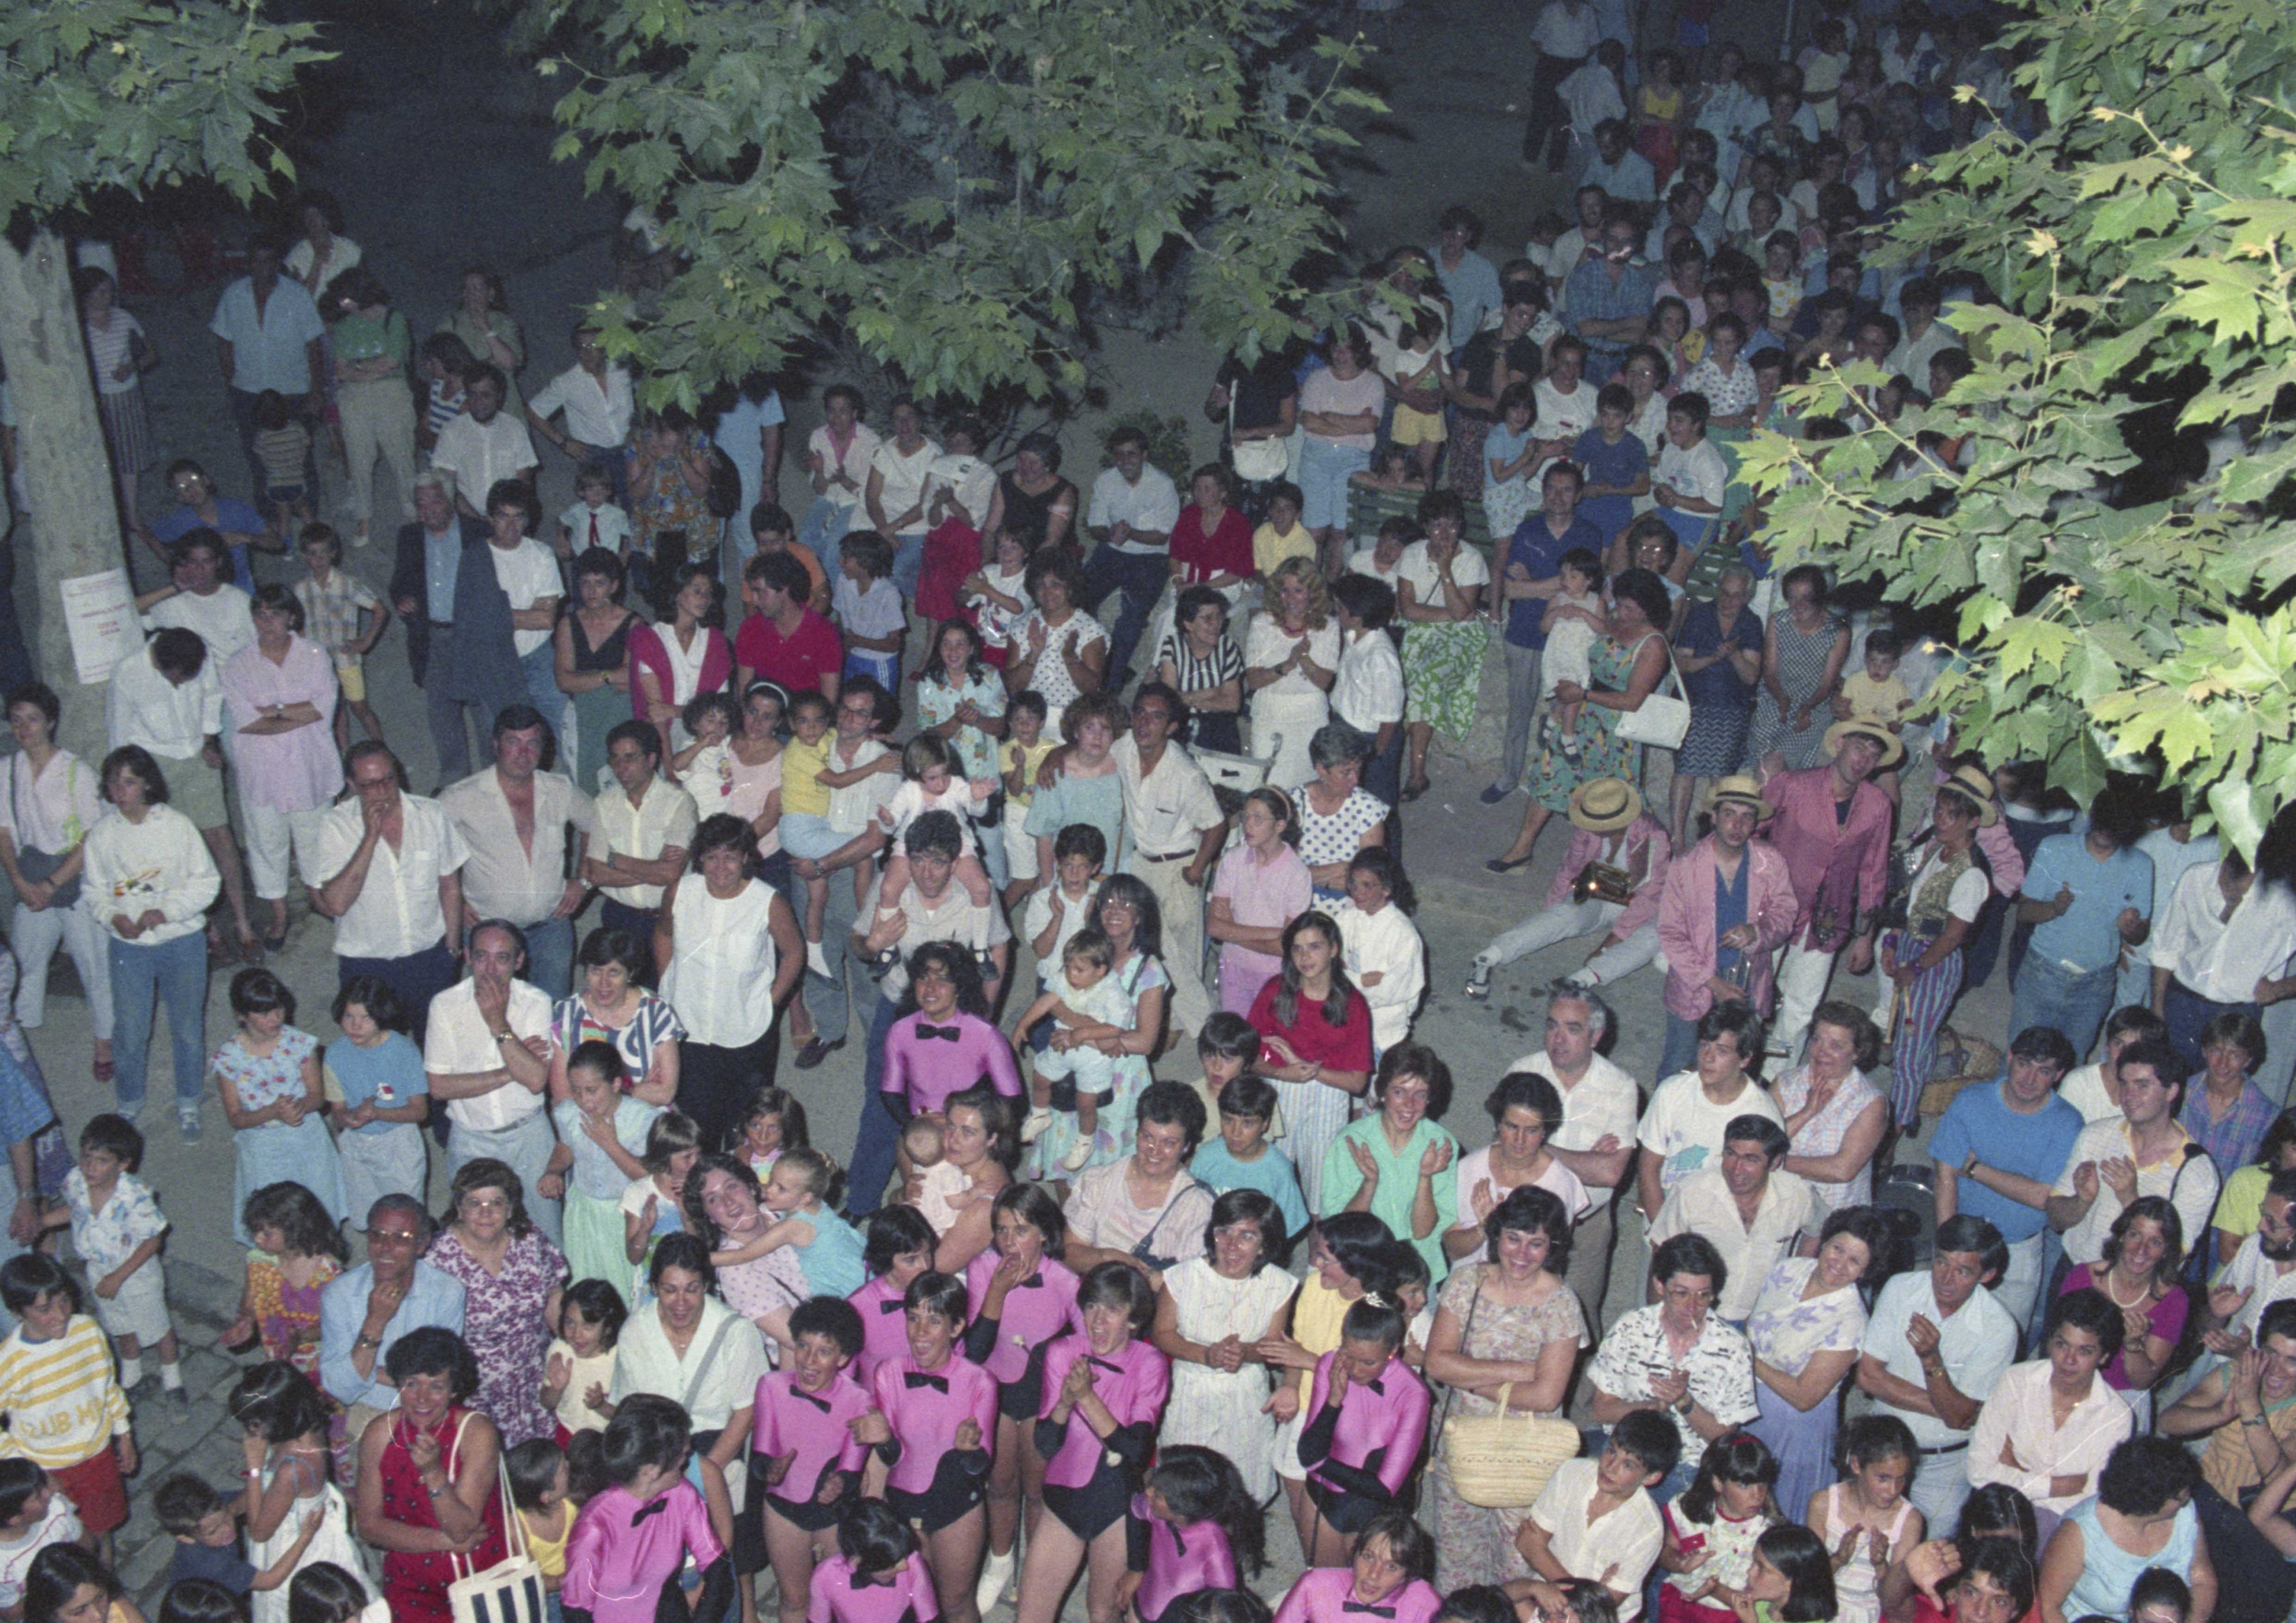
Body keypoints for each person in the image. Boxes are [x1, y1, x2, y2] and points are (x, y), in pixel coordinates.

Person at [1423, 1185, 1589, 1590]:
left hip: (1525, 1452)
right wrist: (1517, 1370)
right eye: (1513, 1238)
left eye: (1536, 1244)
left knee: (1517, 1564)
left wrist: (1474, 1381)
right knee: (1457, 1558)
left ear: (1551, 1247)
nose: (1521, 1253)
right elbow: (1436, 1362)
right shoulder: (1465, 1284)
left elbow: (1546, 1395)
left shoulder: (1561, 1303)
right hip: (1462, 1443)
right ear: (1497, 1235)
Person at [846, 813, 1010, 1212]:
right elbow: (856, 942)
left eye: (938, 861)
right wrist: (875, 942)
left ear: (956, 862)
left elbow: (999, 945)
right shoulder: (893, 890)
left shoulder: (976, 896)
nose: (927, 871)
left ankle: (965, 1202)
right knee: (881, 1102)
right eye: (918, 860)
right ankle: (862, 1201)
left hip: (959, 1012)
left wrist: (985, 1010)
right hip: (900, 1007)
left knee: (965, 1109)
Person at [1488, 569, 1675, 877]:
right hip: (1579, 716)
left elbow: (1633, 701)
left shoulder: (1653, 644)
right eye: (1620, 605)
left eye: (1630, 608)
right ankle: (1522, 848)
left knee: (1613, 801)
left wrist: (1584, 694)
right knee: (1549, 775)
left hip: (1614, 730)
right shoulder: (1614, 620)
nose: (1622, 613)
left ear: (1648, 607)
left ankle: (1623, 869)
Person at [1012, 1264, 1169, 1623]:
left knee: (1102, 1614)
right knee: (1030, 1616)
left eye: (1112, 1310)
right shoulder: (1061, 1351)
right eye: (1092, 1306)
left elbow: (1136, 1450)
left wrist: (1087, 1397)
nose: (1098, 1321)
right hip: (1063, 1501)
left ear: (1133, 1320)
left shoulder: (1150, 1362)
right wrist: (1065, 1402)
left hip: (1116, 1505)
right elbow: (1046, 1445)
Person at [81, 746, 219, 1129]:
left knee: (187, 1027)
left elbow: (207, 881)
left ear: (146, 784)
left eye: (129, 781)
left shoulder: (176, 826)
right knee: (130, 1029)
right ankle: (129, 1098)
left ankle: (189, 1096)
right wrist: (114, 916)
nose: (121, 790)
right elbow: (94, 891)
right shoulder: (103, 835)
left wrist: (167, 911)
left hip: (182, 941)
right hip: (130, 947)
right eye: (113, 782)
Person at [1855, 1213, 2018, 1532]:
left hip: (1944, 1465)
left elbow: (1957, 1420)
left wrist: (1932, 1361)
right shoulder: (1900, 1288)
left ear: (1987, 1275)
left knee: (1930, 1556)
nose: (1946, 1278)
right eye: (1941, 1262)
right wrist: (1950, 1406)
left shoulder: (2000, 1328)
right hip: (1882, 1451)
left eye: (1964, 1271)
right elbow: (1868, 1377)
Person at [655, 814, 804, 1156]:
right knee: (695, 1132)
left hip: (747, 1034)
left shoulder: (767, 901)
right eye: (711, 856)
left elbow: (794, 952)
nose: (721, 866)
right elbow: (663, 933)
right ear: (700, 859)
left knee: (745, 1136)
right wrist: (668, 983)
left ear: (746, 858)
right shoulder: (681, 891)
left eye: (731, 856)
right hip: (688, 1031)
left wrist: (771, 1002)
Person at [855, 1269, 998, 1623]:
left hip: (956, 1508)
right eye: (914, 1318)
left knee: (956, 1604)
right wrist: (883, 1438)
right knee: (915, 1605)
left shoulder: (979, 1380)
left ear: (956, 1327)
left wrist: (969, 1451)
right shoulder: (888, 1372)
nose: (920, 1332)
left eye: (934, 1321)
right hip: (903, 1504)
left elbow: (983, 1463)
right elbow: (892, 1456)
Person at [1760, 718, 1897, 1062]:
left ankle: (1778, 1079)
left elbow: (1873, 874)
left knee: (1802, 1006)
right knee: (1751, 993)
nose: (1864, 759)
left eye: (1873, 754)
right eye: (1859, 747)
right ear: (1839, 745)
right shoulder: (1792, 785)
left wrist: (1865, 937)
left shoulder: (1879, 805)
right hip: (1772, 907)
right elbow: (1750, 830)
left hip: (1829, 918)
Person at [1931, 1026, 2084, 1333]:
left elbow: (2044, 1197)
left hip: (2019, 1248)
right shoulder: (1971, 1100)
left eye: (2044, 1071)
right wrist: (1950, 1245)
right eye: (2024, 1064)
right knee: (1944, 1329)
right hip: (1964, 1237)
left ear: (2059, 1074)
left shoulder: (2068, 1122)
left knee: (2007, 1337)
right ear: (2010, 1058)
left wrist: (1976, 1170)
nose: (2029, 1079)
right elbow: (1945, 1173)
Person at [1741, 1208, 1888, 1528]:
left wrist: (1748, 1358)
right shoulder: (1788, 1269)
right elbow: (1754, 1322)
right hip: (1743, 1407)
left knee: (1775, 1520)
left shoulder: (1850, 1319)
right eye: (1838, 1248)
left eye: (1855, 1260)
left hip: (1793, 1431)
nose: (1839, 1262)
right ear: (1823, 1243)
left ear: (1865, 1271)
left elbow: (1805, 1396)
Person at [1152, 1188, 1297, 1507]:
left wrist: (1244, 1353)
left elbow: (1273, 1344)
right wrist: (1206, 1355)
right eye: (1224, 1232)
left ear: (1264, 1244)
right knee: (1184, 1492)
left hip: (1245, 1393)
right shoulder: (1182, 1277)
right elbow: (1162, 1332)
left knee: (1241, 1494)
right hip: (1191, 1390)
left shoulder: (1279, 1284)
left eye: (1247, 1235)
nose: (1232, 1245)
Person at [350, 1326, 506, 1623]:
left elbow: (462, 1528)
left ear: (454, 1389)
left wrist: (433, 1473)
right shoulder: (380, 1434)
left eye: (436, 1386)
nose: (422, 1398)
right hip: (409, 1592)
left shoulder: (476, 1431)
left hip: (478, 1588)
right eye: (412, 1384)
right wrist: (442, 1542)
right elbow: (369, 1527)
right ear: (398, 1385)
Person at [1587, 1234, 1760, 1499]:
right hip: (1627, 1462)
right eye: (1681, 1294)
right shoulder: (1630, 1328)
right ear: (1659, 1285)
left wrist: (1685, 1402)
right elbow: (1601, 1410)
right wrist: (1649, 1408)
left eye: (1704, 1296)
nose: (1692, 1307)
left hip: (1689, 1469)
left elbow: (1724, 1439)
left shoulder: (1733, 1347)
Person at [440, 707, 596, 1000]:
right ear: (496, 744)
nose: (523, 752)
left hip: (551, 925)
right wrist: (455, 902)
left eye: (532, 743)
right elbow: (429, 848)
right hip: (488, 931)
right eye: (513, 742)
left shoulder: (560, 790)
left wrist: (583, 881)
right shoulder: (460, 797)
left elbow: (597, 826)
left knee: (552, 1011)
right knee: (488, 1008)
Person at [0, 682, 113, 1082]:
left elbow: (92, 837)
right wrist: (20, 880)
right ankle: (20, 1032)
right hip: (31, 877)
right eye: (16, 719)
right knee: (25, 960)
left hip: (73, 881)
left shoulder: (75, 771)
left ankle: (105, 1040)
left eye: (32, 718)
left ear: (50, 721)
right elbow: (5, 831)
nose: (24, 727)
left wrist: (51, 884)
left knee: (93, 966)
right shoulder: (7, 769)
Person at [2157, 1300, 2296, 1623]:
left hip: (2269, 1528)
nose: (2277, 1369)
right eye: (2271, 1354)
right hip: (2210, 1506)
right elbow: (2169, 1420)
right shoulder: (2235, 1373)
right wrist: (2219, 1413)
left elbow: (2274, 1472)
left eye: (2293, 1361)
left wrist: (2248, 1405)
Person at [1469, 777, 1669, 1000]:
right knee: (1567, 914)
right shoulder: (1588, 826)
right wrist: (1554, 912)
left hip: (1639, 904)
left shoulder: (1652, 836)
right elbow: (1571, 866)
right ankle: (1490, 956)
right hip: (1600, 893)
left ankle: (1584, 979)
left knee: (1653, 936)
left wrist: (1607, 946)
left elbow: (1648, 897)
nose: (1591, 828)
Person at [2046, 1036, 2220, 1292]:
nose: (2129, 1096)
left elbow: (2175, 1260)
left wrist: (2131, 1200)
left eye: (2142, 1086)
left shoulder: (2196, 1170)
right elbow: (2056, 1220)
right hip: (2077, 1275)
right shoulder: (2096, 1135)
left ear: (2172, 1091)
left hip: (2136, 1291)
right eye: (2124, 1084)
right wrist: (2081, 1201)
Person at [1652, 776, 1797, 1081]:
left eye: (1747, 816)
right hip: (1694, 987)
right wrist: (1712, 983)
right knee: (1678, 1065)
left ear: (1756, 822)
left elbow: (1785, 913)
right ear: (1714, 816)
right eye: (1729, 813)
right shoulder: (1686, 866)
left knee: (1738, 1069)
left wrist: (1758, 932)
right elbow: (1670, 933)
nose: (1737, 825)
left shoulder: (1770, 861)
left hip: (1748, 984)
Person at [422, 919, 560, 1240]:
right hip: (471, 1138)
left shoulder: (536, 1001)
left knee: (545, 1235)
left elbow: (537, 1081)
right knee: (475, 1238)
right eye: (482, 956)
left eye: (502, 958)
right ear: (468, 955)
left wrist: (498, 1024)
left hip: (529, 1136)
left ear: (519, 961)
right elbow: (440, 1087)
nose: (490, 969)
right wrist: (512, 1068)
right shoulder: (445, 1005)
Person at [1881, 767, 2000, 1130]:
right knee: (1912, 1036)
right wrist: (1890, 940)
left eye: (1953, 815)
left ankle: (1898, 1126)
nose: (1943, 821)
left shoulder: (1972, 873)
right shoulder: (1937, 847)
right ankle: (1911, 1103)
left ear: (1973, 821)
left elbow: (1953, 936)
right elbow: (1909, 897)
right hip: (1910, 949)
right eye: (1940, 811)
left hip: (1933, 964)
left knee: (1908, 1052)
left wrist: (1913, 968)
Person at [0, 1256, 135, 1563]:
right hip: (45, 1471)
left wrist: (123, 1433)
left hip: (97, 1458)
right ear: (17, 1312)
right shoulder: (8, 1361)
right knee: (62, 1542)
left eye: (64, 1301)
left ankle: (106, 1587)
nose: (61, 1315)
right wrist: (30, 1469)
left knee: (102, 1531)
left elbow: (107, 1384)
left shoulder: (87, 1330)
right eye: (44, 1308)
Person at [1109, 685, 1225, 1041]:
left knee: (1183, 956)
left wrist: (1195, 871)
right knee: (1160, 949)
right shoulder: (1123, 747)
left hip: (1180, 866)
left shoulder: (1185, 773)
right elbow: (1085, 751)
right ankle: (1198, 1026)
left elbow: (1217, 825)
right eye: (1140, 712)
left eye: (1157, 716)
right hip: (1142, 863)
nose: (1145, 722)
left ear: (1172, 727)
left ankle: (1204, 1032)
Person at [1968, 1289, 2134, 1538]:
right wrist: (2060, 1485)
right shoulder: (2016, 1381)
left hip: (2065, 1527)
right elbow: (1979, 1471)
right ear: (2049, 1343)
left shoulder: (2117, 1416)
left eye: (2085, 1351)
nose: (2069, 1360)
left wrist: (2019, 1473)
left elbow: (2092, 1500)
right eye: (2062, 1344)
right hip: (1999, 1514)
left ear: (2104, 1357)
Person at [2010, 792, 2155, 1067]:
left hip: (2095, 985)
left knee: (2069, 1064)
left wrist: (2131, 928)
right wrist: (2054, 908)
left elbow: (2141, 934)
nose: (2106, 832)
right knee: (2022, 1058)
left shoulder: (2141, 864)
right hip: (2043, 973)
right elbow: (2024, 912)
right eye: (2102, 822)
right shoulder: (2054, 847)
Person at [50, 1114, 180, 1397]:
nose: (89, 1167)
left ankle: (173, 1379)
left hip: (135, 1273)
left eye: (101, 1161)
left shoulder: (135, 1196)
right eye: (86, 1157)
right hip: (99, 1268)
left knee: (156, 1326)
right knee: (119, 1323)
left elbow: (153, 1239)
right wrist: (42, 1222)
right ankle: (131, 1373)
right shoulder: (76, 1181)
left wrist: (118, 1277)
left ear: (123, 1165)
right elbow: (74, 1211)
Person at [1648, 1117, 1814, 1326]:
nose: (1736, 1169)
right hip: (1697, 1315)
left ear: (1775, 1163)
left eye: (1751, 1159)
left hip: (1762, 1318)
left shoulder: (1797, 1194)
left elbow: (1819, 1229)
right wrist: (1658, 1321)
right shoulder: (1692, 1191)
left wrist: (1795, 1279)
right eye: (1731, 1154)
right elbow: (1661, 1256)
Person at [1319, 1047, 1460, 1283]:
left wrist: (1425, 1177)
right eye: (1400, 1092)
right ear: (1383, 1091)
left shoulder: (1443, 1146)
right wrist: (1369, 1183)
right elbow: (1342, 1232)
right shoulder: (1351, 1141)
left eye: (1420, 1095)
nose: (1410, 1105)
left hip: (1418, 1271)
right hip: (1362, 1270)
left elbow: (1422, 1232)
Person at [2037, 1437, 2216, 1623]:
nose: (2187, 1499)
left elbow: (2202, 1580)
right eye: (2180, 1497)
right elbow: (2048, 1606)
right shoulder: (2079, 1532)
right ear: (2153, 1498)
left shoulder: (2185, 1514)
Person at [388, 471, 493, 782]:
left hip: (472, 638)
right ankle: (455, 780)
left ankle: (492, 779)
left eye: (435, 500)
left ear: (450, 500)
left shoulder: (478, 533)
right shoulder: (409, 536)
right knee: (443, 716)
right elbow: (399, 584)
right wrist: (402, 600)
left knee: (485, 714)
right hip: (433, 638)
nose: (429, 509)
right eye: (421, 503)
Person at [209, 237, 325, 512]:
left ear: (278, 263)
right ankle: (271, 517)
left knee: (298, 456)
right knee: (259, 457)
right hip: (249, 391)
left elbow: (314, 345)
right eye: (258, 260)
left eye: (270, 260)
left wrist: (317, 391)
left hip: (292, 390)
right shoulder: (233, 295)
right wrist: (232, 385)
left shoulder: (297, 295)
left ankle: (309, 519)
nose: (264, 267)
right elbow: (224, 343)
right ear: (249, 263)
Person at [1394, 494, 1489, 801]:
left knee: (1427, 682)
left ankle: (1416, 774)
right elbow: (1408, 610)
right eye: (1437, 526)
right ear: (1425, 527)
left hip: (1462, 637)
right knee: (1400, 681)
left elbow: (1465, 618)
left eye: (1452, 525)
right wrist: (1455, 612)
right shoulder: (1411, 553)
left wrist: (1446, 570)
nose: (1445, 533)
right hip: (1419, 630)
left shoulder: (1472, 559)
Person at [1770, 1002, 1886, 1233]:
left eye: (1836, 1045)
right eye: (1817, 1040)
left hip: (1837, 1222)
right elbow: (1761, 1142)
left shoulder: (1870, 1101)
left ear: (1856, 1053)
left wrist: (1774, 1162)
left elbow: (1842, 1170)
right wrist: (1806, 1113)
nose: (1822, 1051)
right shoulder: (1785, 1083)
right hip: (1778, 1206)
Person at [225, 1182, 349, 1386]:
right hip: (278, 1350)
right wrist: (247, 1320)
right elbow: (251, 1298)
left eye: (266, 1233)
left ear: (295, 1230)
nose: (257, 1239)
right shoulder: (259, 1261)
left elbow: (338, 1324)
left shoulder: (329, 1274)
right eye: (256, 1231)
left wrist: (301, 1337)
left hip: (318, 1359)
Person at [1740, 566, 1851, 774]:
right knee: (1763, 754)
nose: (1797, 605)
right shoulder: (1778, 621)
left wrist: (1807, 707)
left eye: (1805, 598)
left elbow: (1827, 684)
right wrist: (1782, 699)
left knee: (1779, 759)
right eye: (1791, 598)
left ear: (1819, 598)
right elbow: (1770, 672)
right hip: (1775, 696)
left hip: (1814, 704)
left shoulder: (1839, 630)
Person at [1244, 559, 1341, 792]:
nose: (1290, 598)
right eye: (1285, 591)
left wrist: (1303, 659)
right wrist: (1287, 665)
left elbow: (1324, 682)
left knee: (1309, 788)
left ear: (1312, 593)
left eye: (1298, 591)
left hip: (1311, 717)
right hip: (1270, 714)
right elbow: (1253, 680)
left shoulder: (1329, 627)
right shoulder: (1262, 624)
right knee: (1270, 789)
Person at [1004, 552, 1108, 743]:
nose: (1048, 592)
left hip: (1074, 722)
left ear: (1070, 588)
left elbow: (1092, 688)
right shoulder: (1021, 627)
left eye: (1056, 585)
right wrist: (1033, 656)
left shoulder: (1090, 630)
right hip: (1029, 723)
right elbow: (1012, 688)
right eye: (1041, 586)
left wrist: (1070, 657)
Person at [525, 325, 635, 496]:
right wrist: (563, 443)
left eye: (592, 346)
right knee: (598, 515)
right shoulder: (567, 382)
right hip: (594, 457)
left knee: (634, 509)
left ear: (604, 346)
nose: (586, 353)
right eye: (581, 348)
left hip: (630, 450)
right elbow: (533, 411)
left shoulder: (623, 371)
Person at [1329, 575, 1406, 809]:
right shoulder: (1352, 635)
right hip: (1345, 726)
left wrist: (1373, 758)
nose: (1336, 611)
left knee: (1377, 807)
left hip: (1370, 739)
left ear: (1357, 617)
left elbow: (1390, 720)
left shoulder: (1380, 657)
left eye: (1340, 608)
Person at [430, 367, 539, 523]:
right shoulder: (452, 431)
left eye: (485, 395)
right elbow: (448, 487)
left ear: (499, 396)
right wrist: (478, 519)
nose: (478, 402)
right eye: (472, 395)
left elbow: (523, 483)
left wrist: (504, 519)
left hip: (508, 520)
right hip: (466, 519)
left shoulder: (515, 428)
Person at [1292, 726, 1386, 905]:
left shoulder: (1368, 808)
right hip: (1293, 902)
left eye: (1358, 770)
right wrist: (1341, 868)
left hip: (1349, 907)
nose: (1356, 780)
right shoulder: (1293, 804)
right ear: (1321, 770)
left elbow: (1368, 882)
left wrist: (1310, 875)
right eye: (1346, 772)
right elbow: (1279, 873)